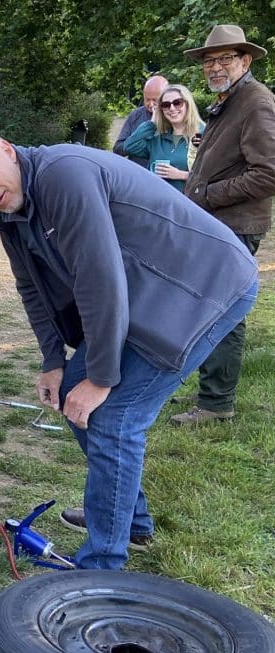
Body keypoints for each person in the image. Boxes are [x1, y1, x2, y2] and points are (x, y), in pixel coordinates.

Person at [0, 131, 258, 570]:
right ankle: (130, 520)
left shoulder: (64, 176)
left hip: (202, 286)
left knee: (115, 415)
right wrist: (55, 362)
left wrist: (102, 378)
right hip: (144, 295)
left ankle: (100, 567)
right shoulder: (11, 214)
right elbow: (31, 288)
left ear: (7, 152)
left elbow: (100, 279)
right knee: (74, 393)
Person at [171, 24, 275, 426]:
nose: (214, 66)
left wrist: (206, 194)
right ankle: (210, 394)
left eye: (225, 58)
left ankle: (216, 404)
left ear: (245, 61)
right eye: (209, 60)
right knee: (209, 306)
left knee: (223, 310)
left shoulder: (255, 101)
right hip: (219, 223)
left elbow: (268, 173)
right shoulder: (230, 99)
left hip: (234, 223)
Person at [122, 84, 206, 192]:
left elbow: (214, 176)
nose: (172, 108)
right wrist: (153, 122)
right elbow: (129, 146)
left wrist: (181, 175)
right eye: (166, 105)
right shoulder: (158, 138)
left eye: (177, 103)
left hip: (189, 204)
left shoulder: (203, 135)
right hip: (158, 202)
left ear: (188, 104)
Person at [113, 74, 169, 168]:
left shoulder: (174, 116)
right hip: (138, 173)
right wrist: (135, 141)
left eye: (155, 100)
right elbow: (118, 148)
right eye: (147, 99)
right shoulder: (136, 115)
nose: (151, 104)